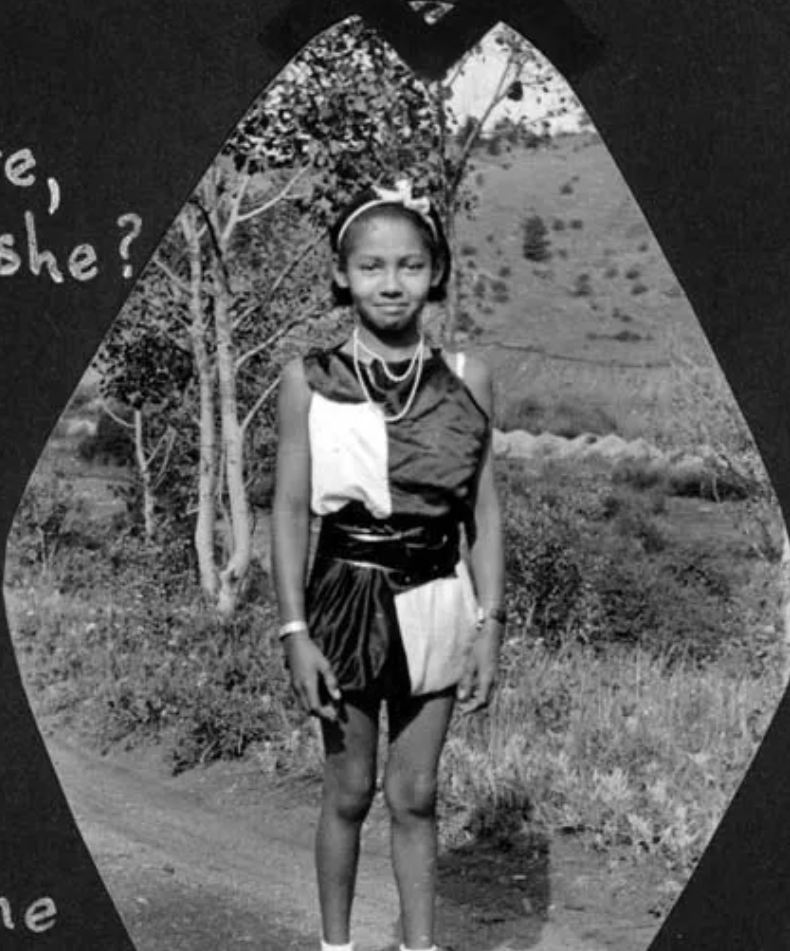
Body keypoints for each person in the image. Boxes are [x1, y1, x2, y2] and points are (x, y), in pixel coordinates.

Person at [271, 179, 505, 951]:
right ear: (343, 275)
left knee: (417, 791)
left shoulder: (467, 376)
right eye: (372, 266)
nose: (392, 283)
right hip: (343, 595)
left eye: (410, 265)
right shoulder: (309, 379)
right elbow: (290, 509)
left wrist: (490, 623)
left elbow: (483, 510)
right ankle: (336, 946)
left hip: (437, 594)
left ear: (435, 272)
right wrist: (295, 631)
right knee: (348, 789)